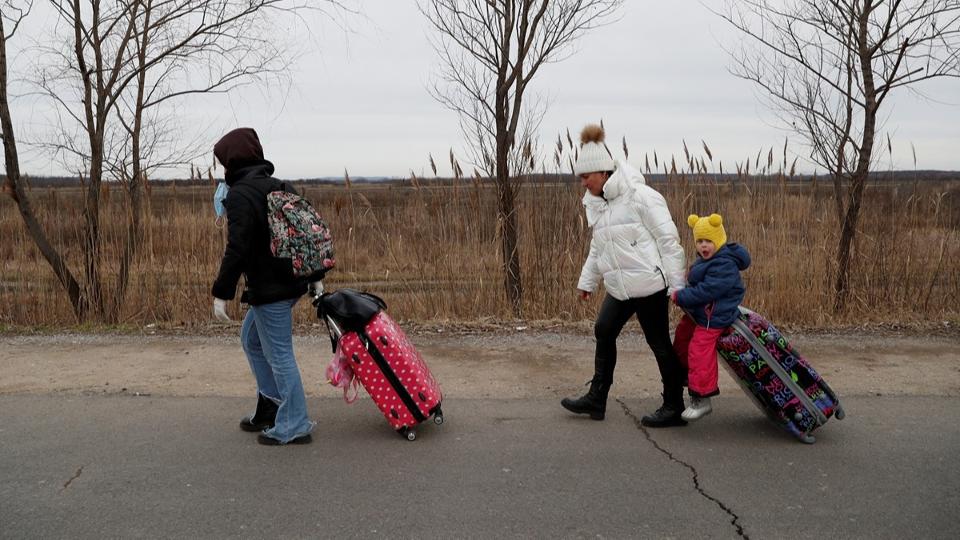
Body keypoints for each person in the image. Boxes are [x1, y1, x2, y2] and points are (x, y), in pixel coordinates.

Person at [561, 124, 689, 427]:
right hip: (619, 286)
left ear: (603, 172)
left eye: (585, 177)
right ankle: (597, 398)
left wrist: (677, 285)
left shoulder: (641, 196)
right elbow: (598, 248)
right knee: (604, 330)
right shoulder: (600, 205)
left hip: (647, 284)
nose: (582, 184)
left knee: (658, 342)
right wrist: (587, 282)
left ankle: (674, 406)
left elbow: (668, 241)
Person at [210, 127, 322, 446]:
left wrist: (221, 291)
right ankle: (271, 406)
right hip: (290, 284)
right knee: (252, 340)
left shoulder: (241, 195)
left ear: (233, 160)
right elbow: (307, 233)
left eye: (223, 162)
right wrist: (314, 278)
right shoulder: (279, 186)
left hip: (271, 289)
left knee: (279, 354)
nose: (222, 168)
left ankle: (295, 423)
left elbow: (238, 248)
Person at [671, 213, 751, 421]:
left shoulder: (723, 263)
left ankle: (702, 398)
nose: (703, 246)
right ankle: (687, 378)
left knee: (699, 349)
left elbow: (707, 290)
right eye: (699, 241)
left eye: (708, 241)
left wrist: (681, 296)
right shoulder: (708, 260)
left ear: (719, 239)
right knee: (682, 337)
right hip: (703, 312)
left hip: (714, 315)